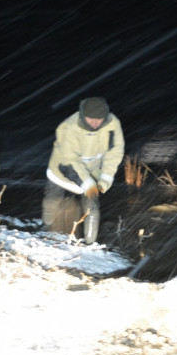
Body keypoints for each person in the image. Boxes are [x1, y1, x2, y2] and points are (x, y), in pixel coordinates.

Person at [42, 97, 124, 244]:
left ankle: (90, 242)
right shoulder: (68, 127)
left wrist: (105, 178)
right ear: (82, 116)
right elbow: (70, 161)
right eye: (90, 119)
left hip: (92, 169)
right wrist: (88, 184)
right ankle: (46, 231)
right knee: (52, 199)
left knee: (92, 205)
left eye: (99, 119)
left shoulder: (112, 124)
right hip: (62, 168)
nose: (95, 123)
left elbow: (114, 153)